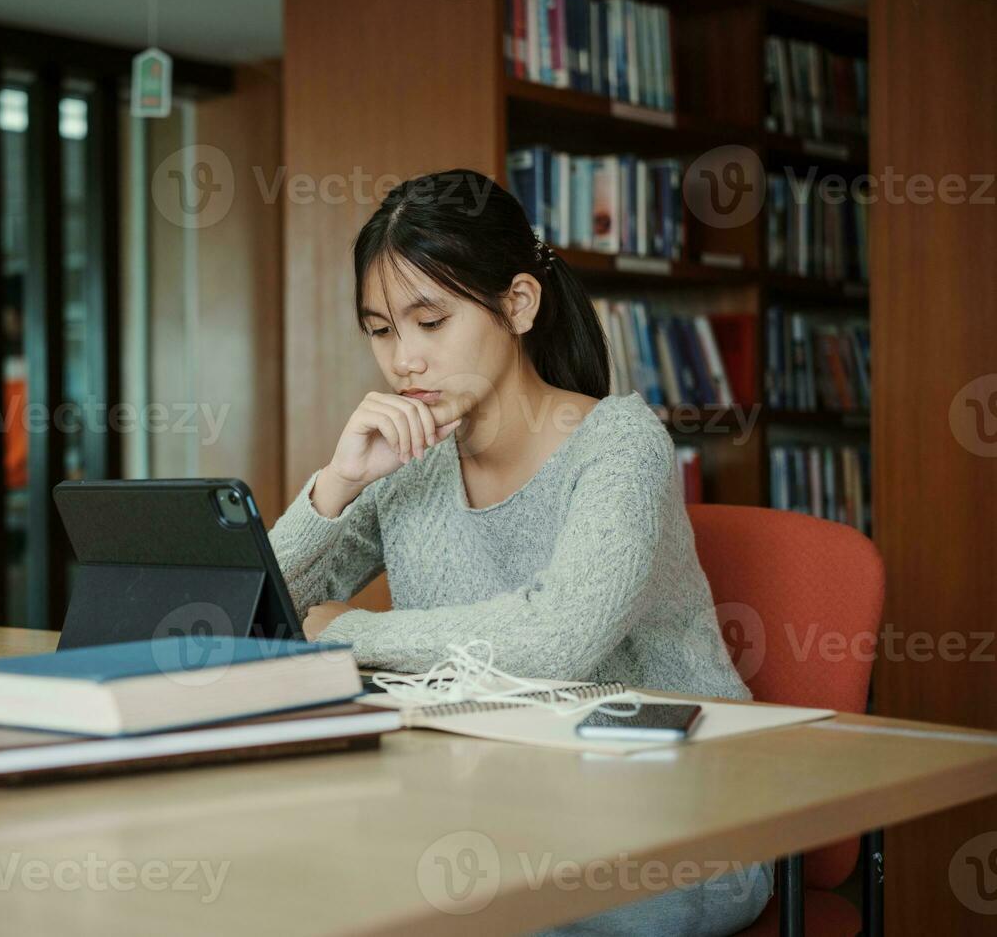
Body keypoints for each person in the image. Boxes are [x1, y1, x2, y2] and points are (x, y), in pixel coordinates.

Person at [267, 169, 771, 936]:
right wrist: (336, 485)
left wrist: (344, 634)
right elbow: (258, 604)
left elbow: (558, 637)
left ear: (518, 304)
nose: (404, 359)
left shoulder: (618, 445)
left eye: (430, 321)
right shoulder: (412, 462)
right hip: (492, 809)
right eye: (380, 329)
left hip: (675, 823)